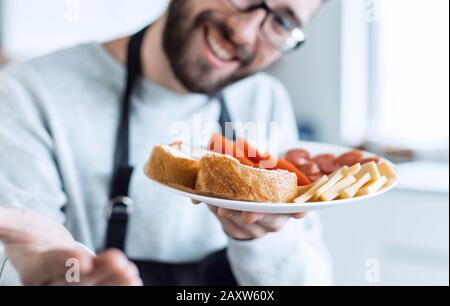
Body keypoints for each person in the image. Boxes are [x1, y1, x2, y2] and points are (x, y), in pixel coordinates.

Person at [0, 0, 332, 286]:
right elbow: (22, 258)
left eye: (282, 21)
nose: (244, 33)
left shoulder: (264, 99)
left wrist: (261, 237)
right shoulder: (29, 94)